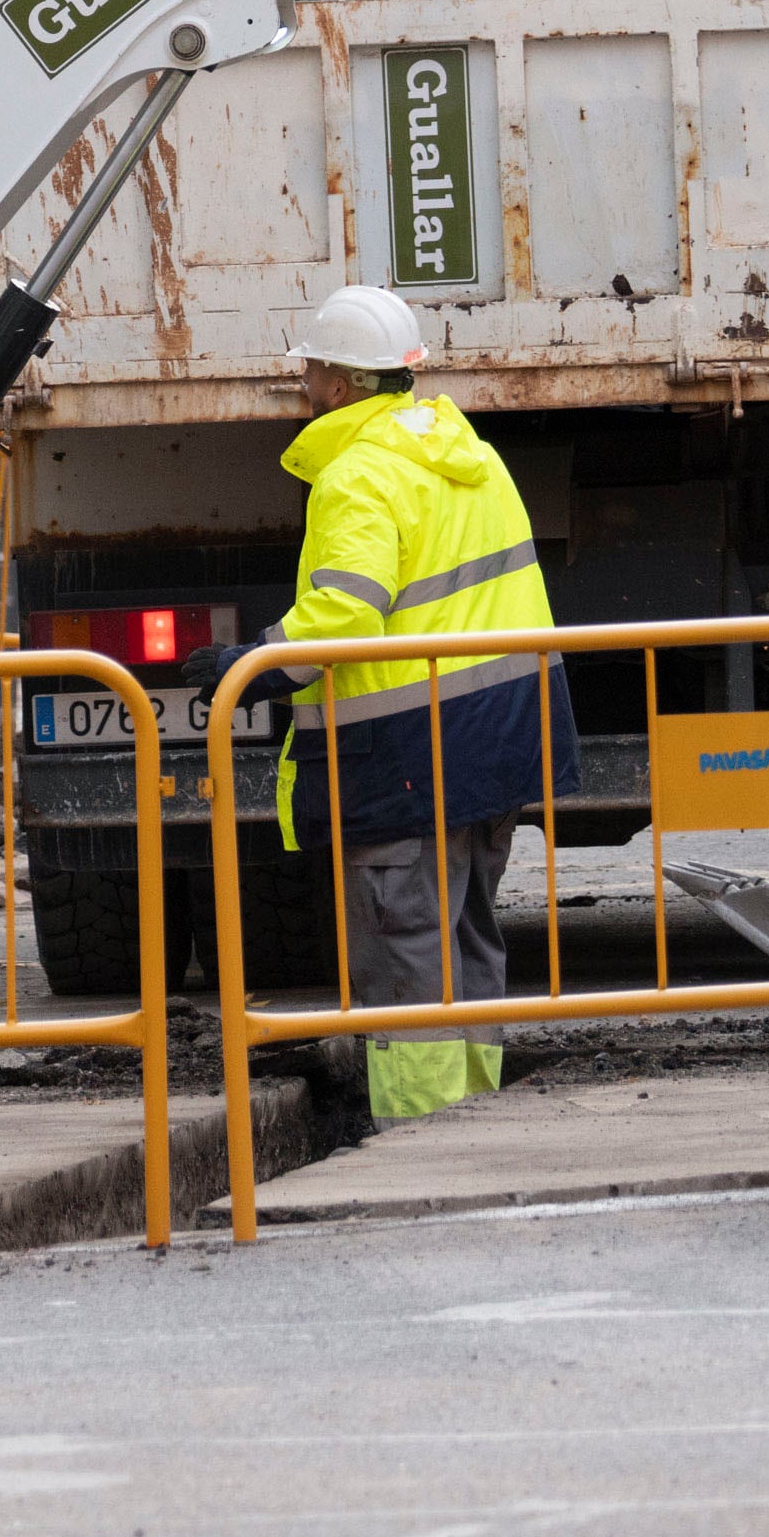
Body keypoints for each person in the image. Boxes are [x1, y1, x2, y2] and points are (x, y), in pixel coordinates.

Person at [178, 286, 576, 1119]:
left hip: (403, 752)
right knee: (466, 933)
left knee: (404, 948)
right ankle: (474, 1108)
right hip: (496, 737)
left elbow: (345, 612)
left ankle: (421, 1124)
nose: (306, 382)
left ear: (347, 384)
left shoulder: (356, 475)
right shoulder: (470, 454)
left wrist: (247, 664)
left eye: (315, 368)